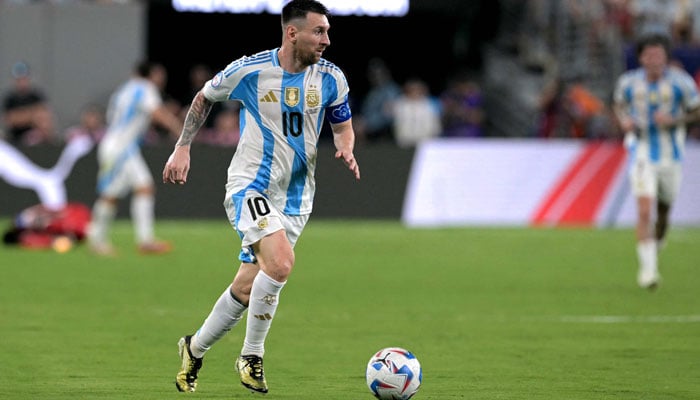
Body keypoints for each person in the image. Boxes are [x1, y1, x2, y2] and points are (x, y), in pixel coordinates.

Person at [162, 0, 361, 394]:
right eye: (319, 31)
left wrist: (346, 146)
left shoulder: (332, 79)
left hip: (297, 199)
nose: (327, 40)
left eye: (328, 32)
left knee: (247, 287)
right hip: (250, 186)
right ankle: (251, 354)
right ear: (292, 32)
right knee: (282, 263)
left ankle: (194, 347)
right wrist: (182, 146)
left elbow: (342, 124)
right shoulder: (251, 70)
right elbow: (204, 97)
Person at [613, 32, 700, 290]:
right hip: (640, 151)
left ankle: (655, 245)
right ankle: (648, 272)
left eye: (658, 54)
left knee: (663, 213)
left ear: (665, 56)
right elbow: (618, 105)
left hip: (671, 155)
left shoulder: (680, 83)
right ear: (641, 57)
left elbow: (696, 111)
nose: (654, 59)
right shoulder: (629, 83)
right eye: (649, 55)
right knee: (643, 210)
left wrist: (674, 121)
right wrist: (624, 122)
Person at [86, 61, 183, 256]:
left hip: (117, 145)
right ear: (152, 74)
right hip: (122, 148)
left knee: (127, 191)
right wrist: (181, 131)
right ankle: (112, 239)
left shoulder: (123, 90)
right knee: (134, 189)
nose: (161, 78)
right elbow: (157, 113)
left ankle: (109, 239)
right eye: (159, 73)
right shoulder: (145, 88)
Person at [1, 61, 53, 144]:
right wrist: (32, 115)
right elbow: (9, 120)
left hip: (35, 140)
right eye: (19, 79)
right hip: (15, 140)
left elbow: (45, 118)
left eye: (24, 78)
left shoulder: (36, 96)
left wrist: (23, 116)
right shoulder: (10, 99)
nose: (22, 82)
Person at [392, 78, 442, 148]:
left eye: (418, 89)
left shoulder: (430, 103)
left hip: (426, 141)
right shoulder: (400, 103)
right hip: (405, 141)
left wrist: (434, 137)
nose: (415, 92)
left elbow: (435, 124)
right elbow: (395, 120)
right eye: (412, 89)